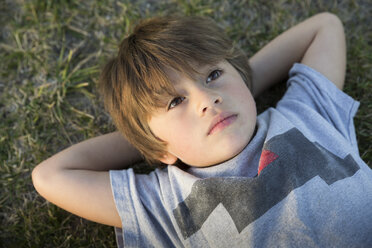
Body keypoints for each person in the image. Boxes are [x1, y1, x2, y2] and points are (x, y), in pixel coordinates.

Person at [32, 12, 372, 247]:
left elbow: (324, 27)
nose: (207, 100)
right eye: (175, 102)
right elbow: (50, 175)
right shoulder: (165, 203)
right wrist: (151, 141)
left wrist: (242, 85)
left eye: (212, 75)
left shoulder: (305, 113)